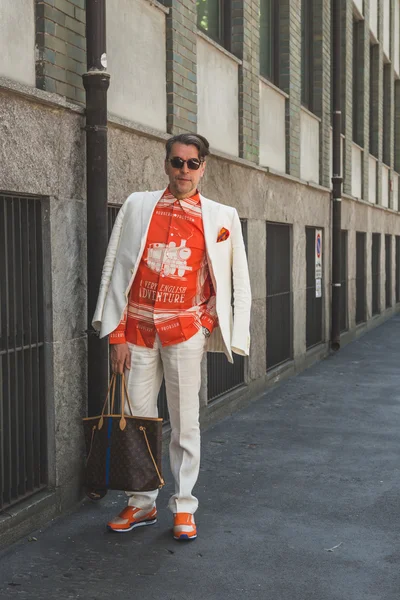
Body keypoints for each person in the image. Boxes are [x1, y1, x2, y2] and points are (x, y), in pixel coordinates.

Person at [92, 133, 251, 541]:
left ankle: (184, 506)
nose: (184, 170)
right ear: (166, 163)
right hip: (138, 333)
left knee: (186, 423)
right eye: (177, 161)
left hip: (184, 331)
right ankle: (141, 503)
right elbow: (115, 270)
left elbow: (231, 279)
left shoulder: (221, 216)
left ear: (203, 167)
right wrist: (116, 335)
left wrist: (206, 324)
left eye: (192, 163)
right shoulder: (137, 205)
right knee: (138, 421)